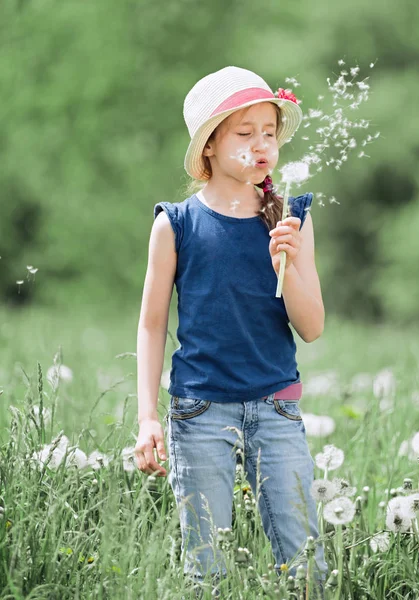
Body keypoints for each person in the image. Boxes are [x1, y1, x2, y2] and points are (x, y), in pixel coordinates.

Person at [135, 66, 327, 598]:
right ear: (211, 147)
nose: (261, 144)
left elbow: (312, 327)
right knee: (208, 572)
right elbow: (152, 326)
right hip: (200, 411)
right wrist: (148, 416)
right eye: (245, 133)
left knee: (307, 564)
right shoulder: (176, 224)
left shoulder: (290, 218)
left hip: (278, 409)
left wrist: (284, 258)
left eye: (270, 131)